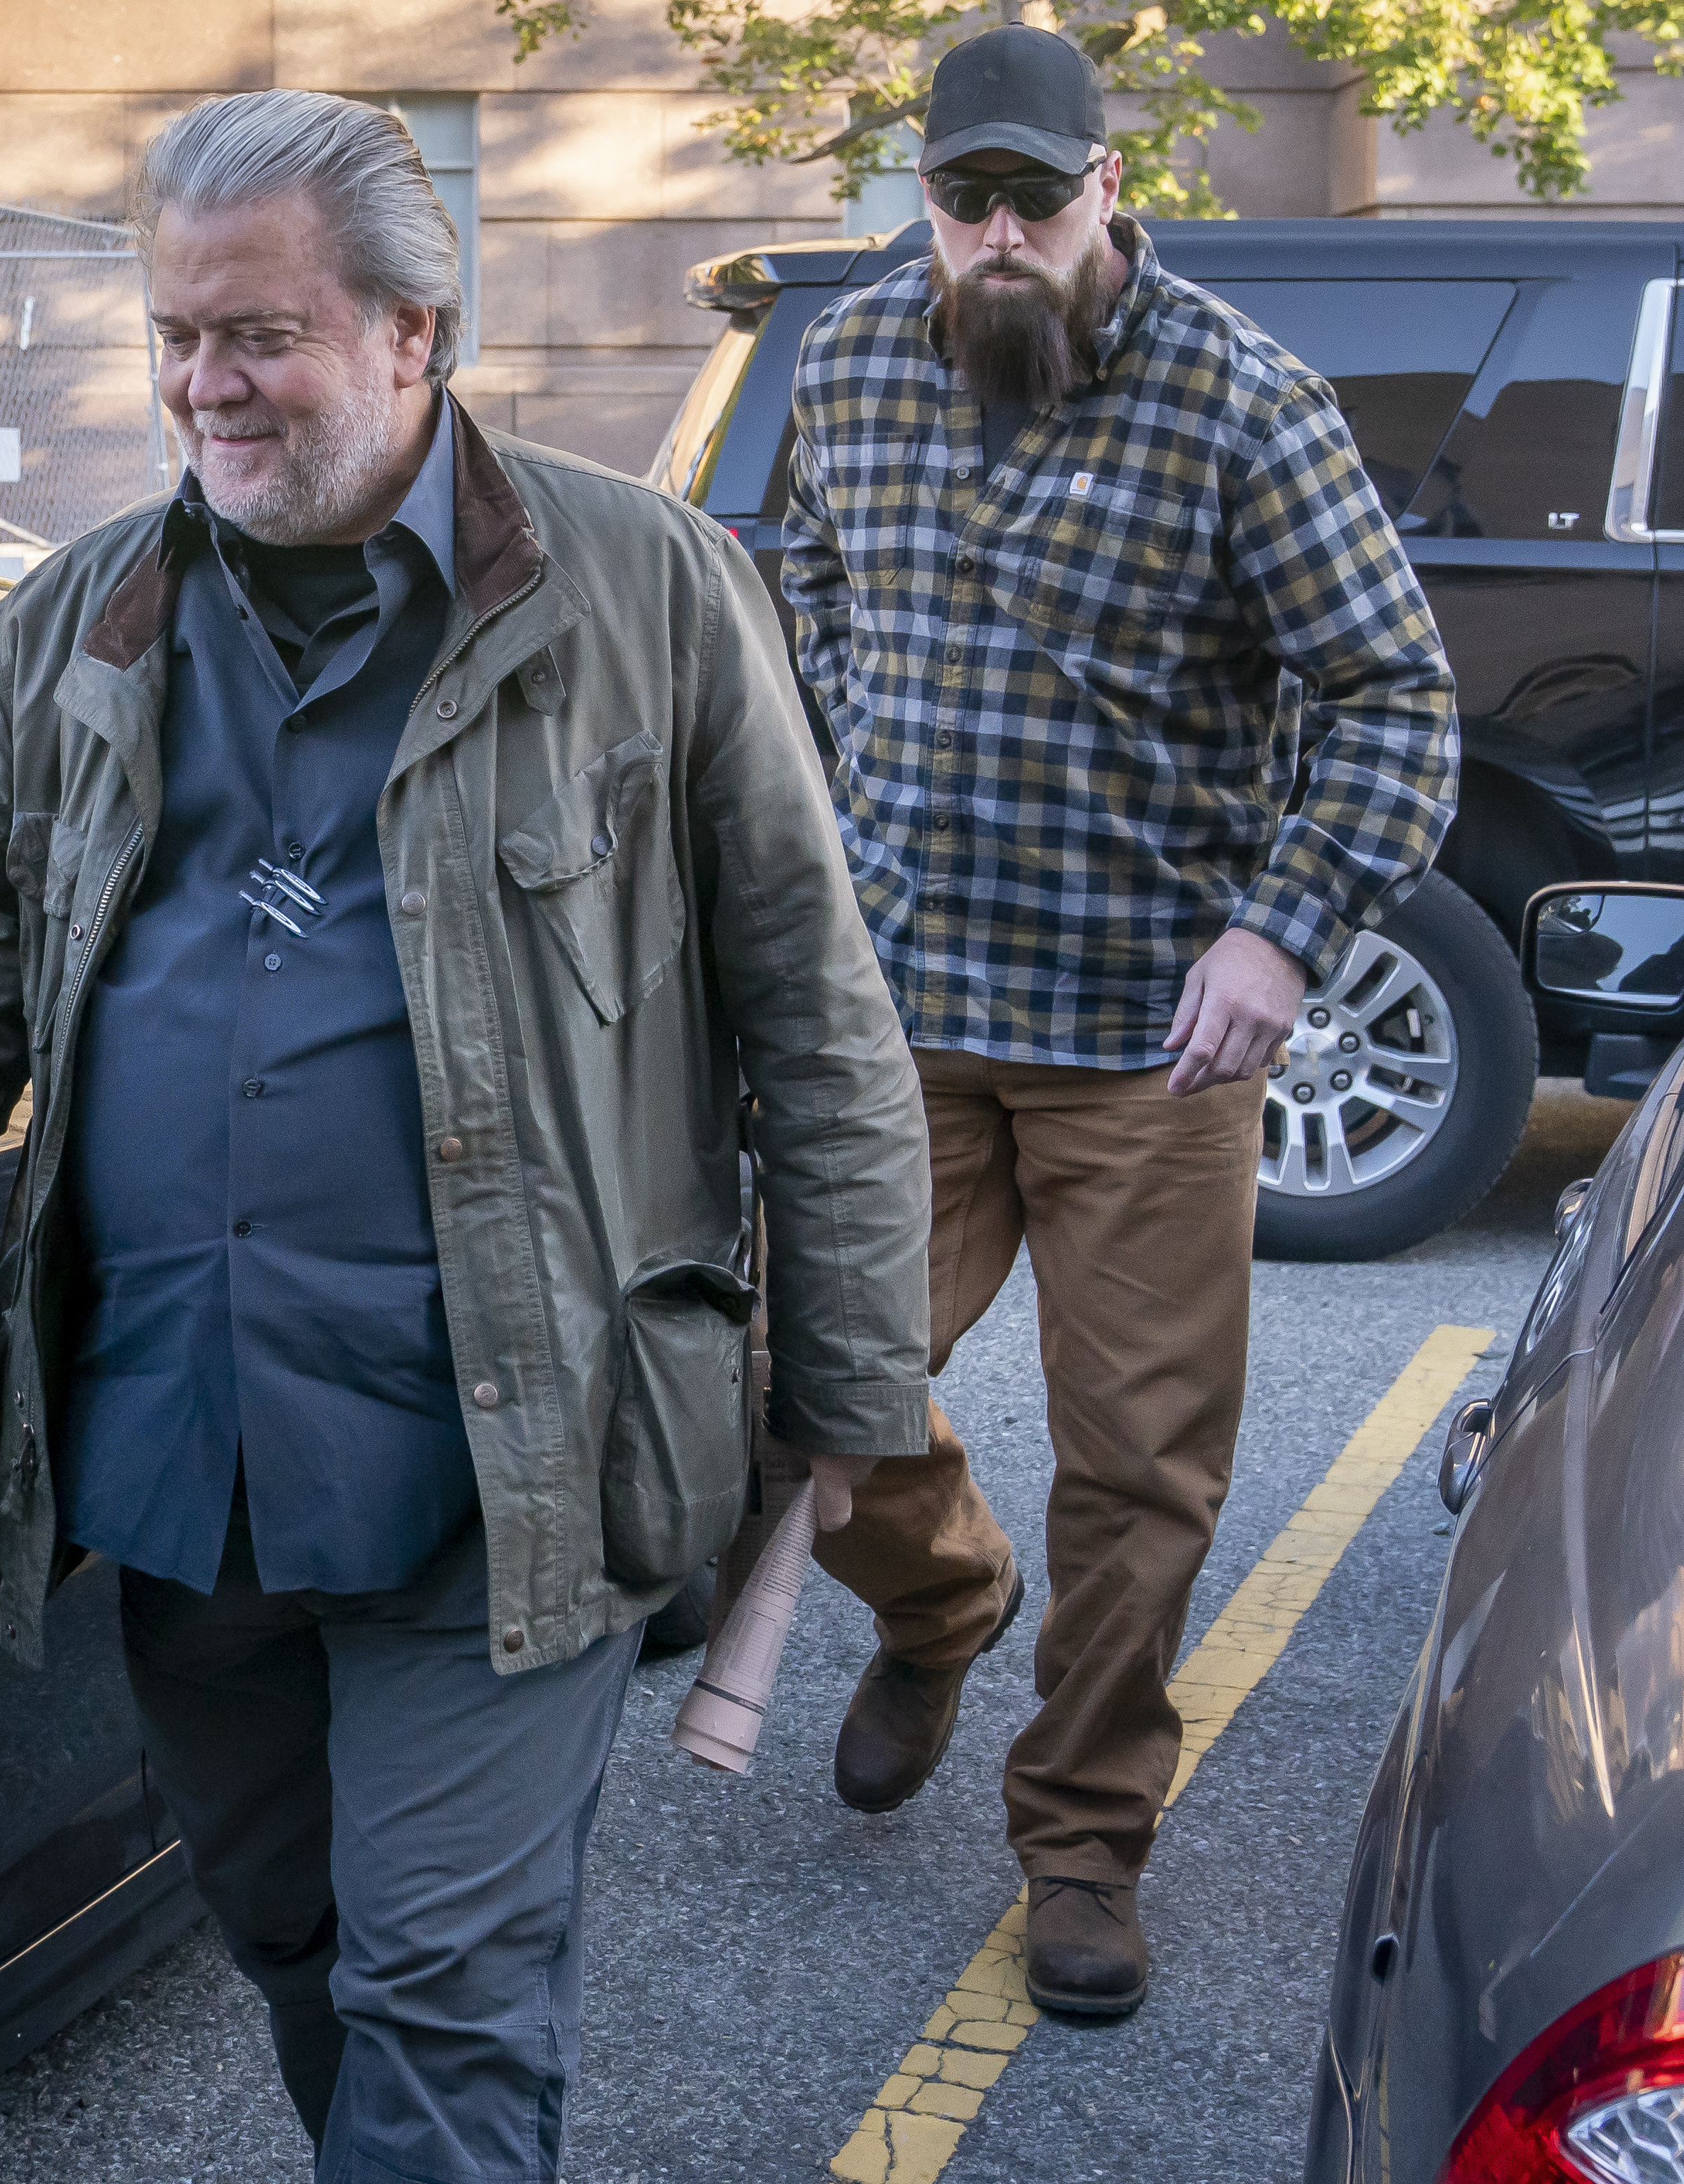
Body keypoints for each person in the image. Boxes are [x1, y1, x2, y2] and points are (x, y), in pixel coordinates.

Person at [0, 88, 933, 2181]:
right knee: (294, 1931)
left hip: (505, 1458)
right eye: (175, 333)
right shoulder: (77, 619)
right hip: (174, 1447)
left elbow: (818, 1010)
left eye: (259, 335)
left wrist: (853, 1386)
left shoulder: (653, 590)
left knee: (444, 1983)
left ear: (419, 332)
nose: (202, 384)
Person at [780, 25, 1457, 2017]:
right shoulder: (843, 365)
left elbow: (1395, 699)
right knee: (809, 1386)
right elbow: (811, 578)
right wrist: (864, 765)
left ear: (1105, 193)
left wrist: (1280, 929)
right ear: (922, 196)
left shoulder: (1246, 402)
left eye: (1034, 203)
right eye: (959, 202)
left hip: (1150, 1039)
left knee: (1139, 1466)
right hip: (902, 1009)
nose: (996, 243)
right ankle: (943, 1599)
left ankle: (1081, 1837)